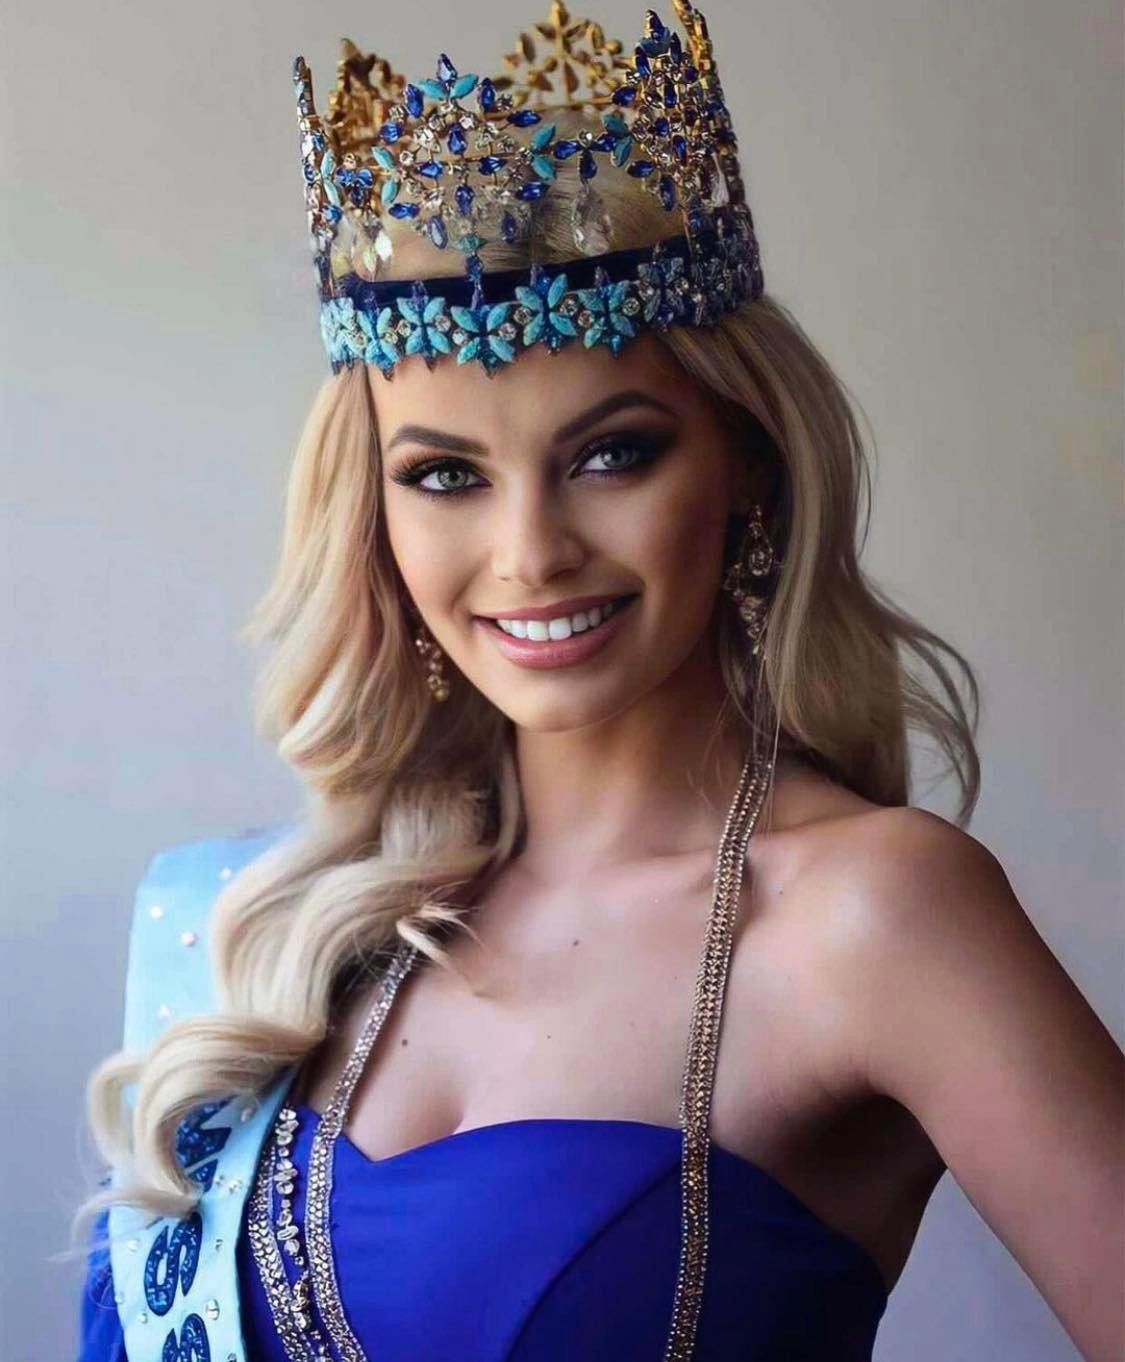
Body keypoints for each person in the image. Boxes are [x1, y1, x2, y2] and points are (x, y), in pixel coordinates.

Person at [72, 3, 1124, 1360]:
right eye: (445, 475)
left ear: (747, 469)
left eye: (612, 454)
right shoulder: (267, 938)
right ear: (375, 514)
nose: (530, 553)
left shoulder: (875, 916)